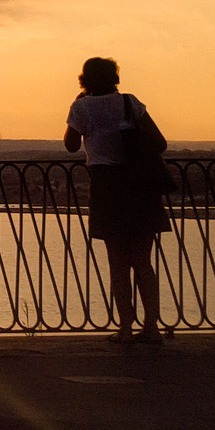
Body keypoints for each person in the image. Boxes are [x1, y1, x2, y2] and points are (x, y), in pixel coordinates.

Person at [64, 56, 170, 344]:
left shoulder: (81, 107)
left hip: (107, 186)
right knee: (143, 262)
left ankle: (125, 328)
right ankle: (151, 327)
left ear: (84, 79)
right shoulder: (129, 102)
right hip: (140, 186)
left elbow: (71, 145)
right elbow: (160, 142)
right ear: (114, 78)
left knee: (118, 263)